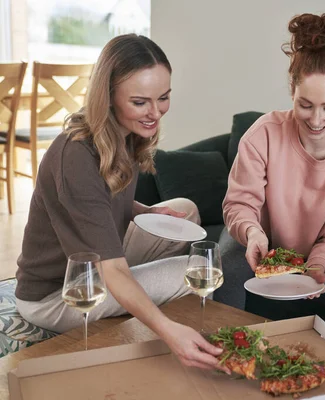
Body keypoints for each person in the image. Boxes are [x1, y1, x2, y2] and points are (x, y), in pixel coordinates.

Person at [15, 34, 229, 373]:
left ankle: (138, 301)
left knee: (184, 208)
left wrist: (147, 212)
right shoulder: (76, 156)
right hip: (57, 292)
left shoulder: (122, 133)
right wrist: (169, 332)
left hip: (97, 259)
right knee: (190, 272)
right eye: (140, 102)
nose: (155, 113)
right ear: (109, 97)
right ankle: (180, 335)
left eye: (164, 98)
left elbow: (104, 201)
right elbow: (111, 268)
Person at [215, 13, 325, 319]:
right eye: (305, 105)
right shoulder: (262, 133)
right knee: (225, 270)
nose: (316, 121)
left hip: (315, 253)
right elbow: (240, 203)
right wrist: (252, 233)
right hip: (254, 241)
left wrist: (317, 268)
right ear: (292, 90)